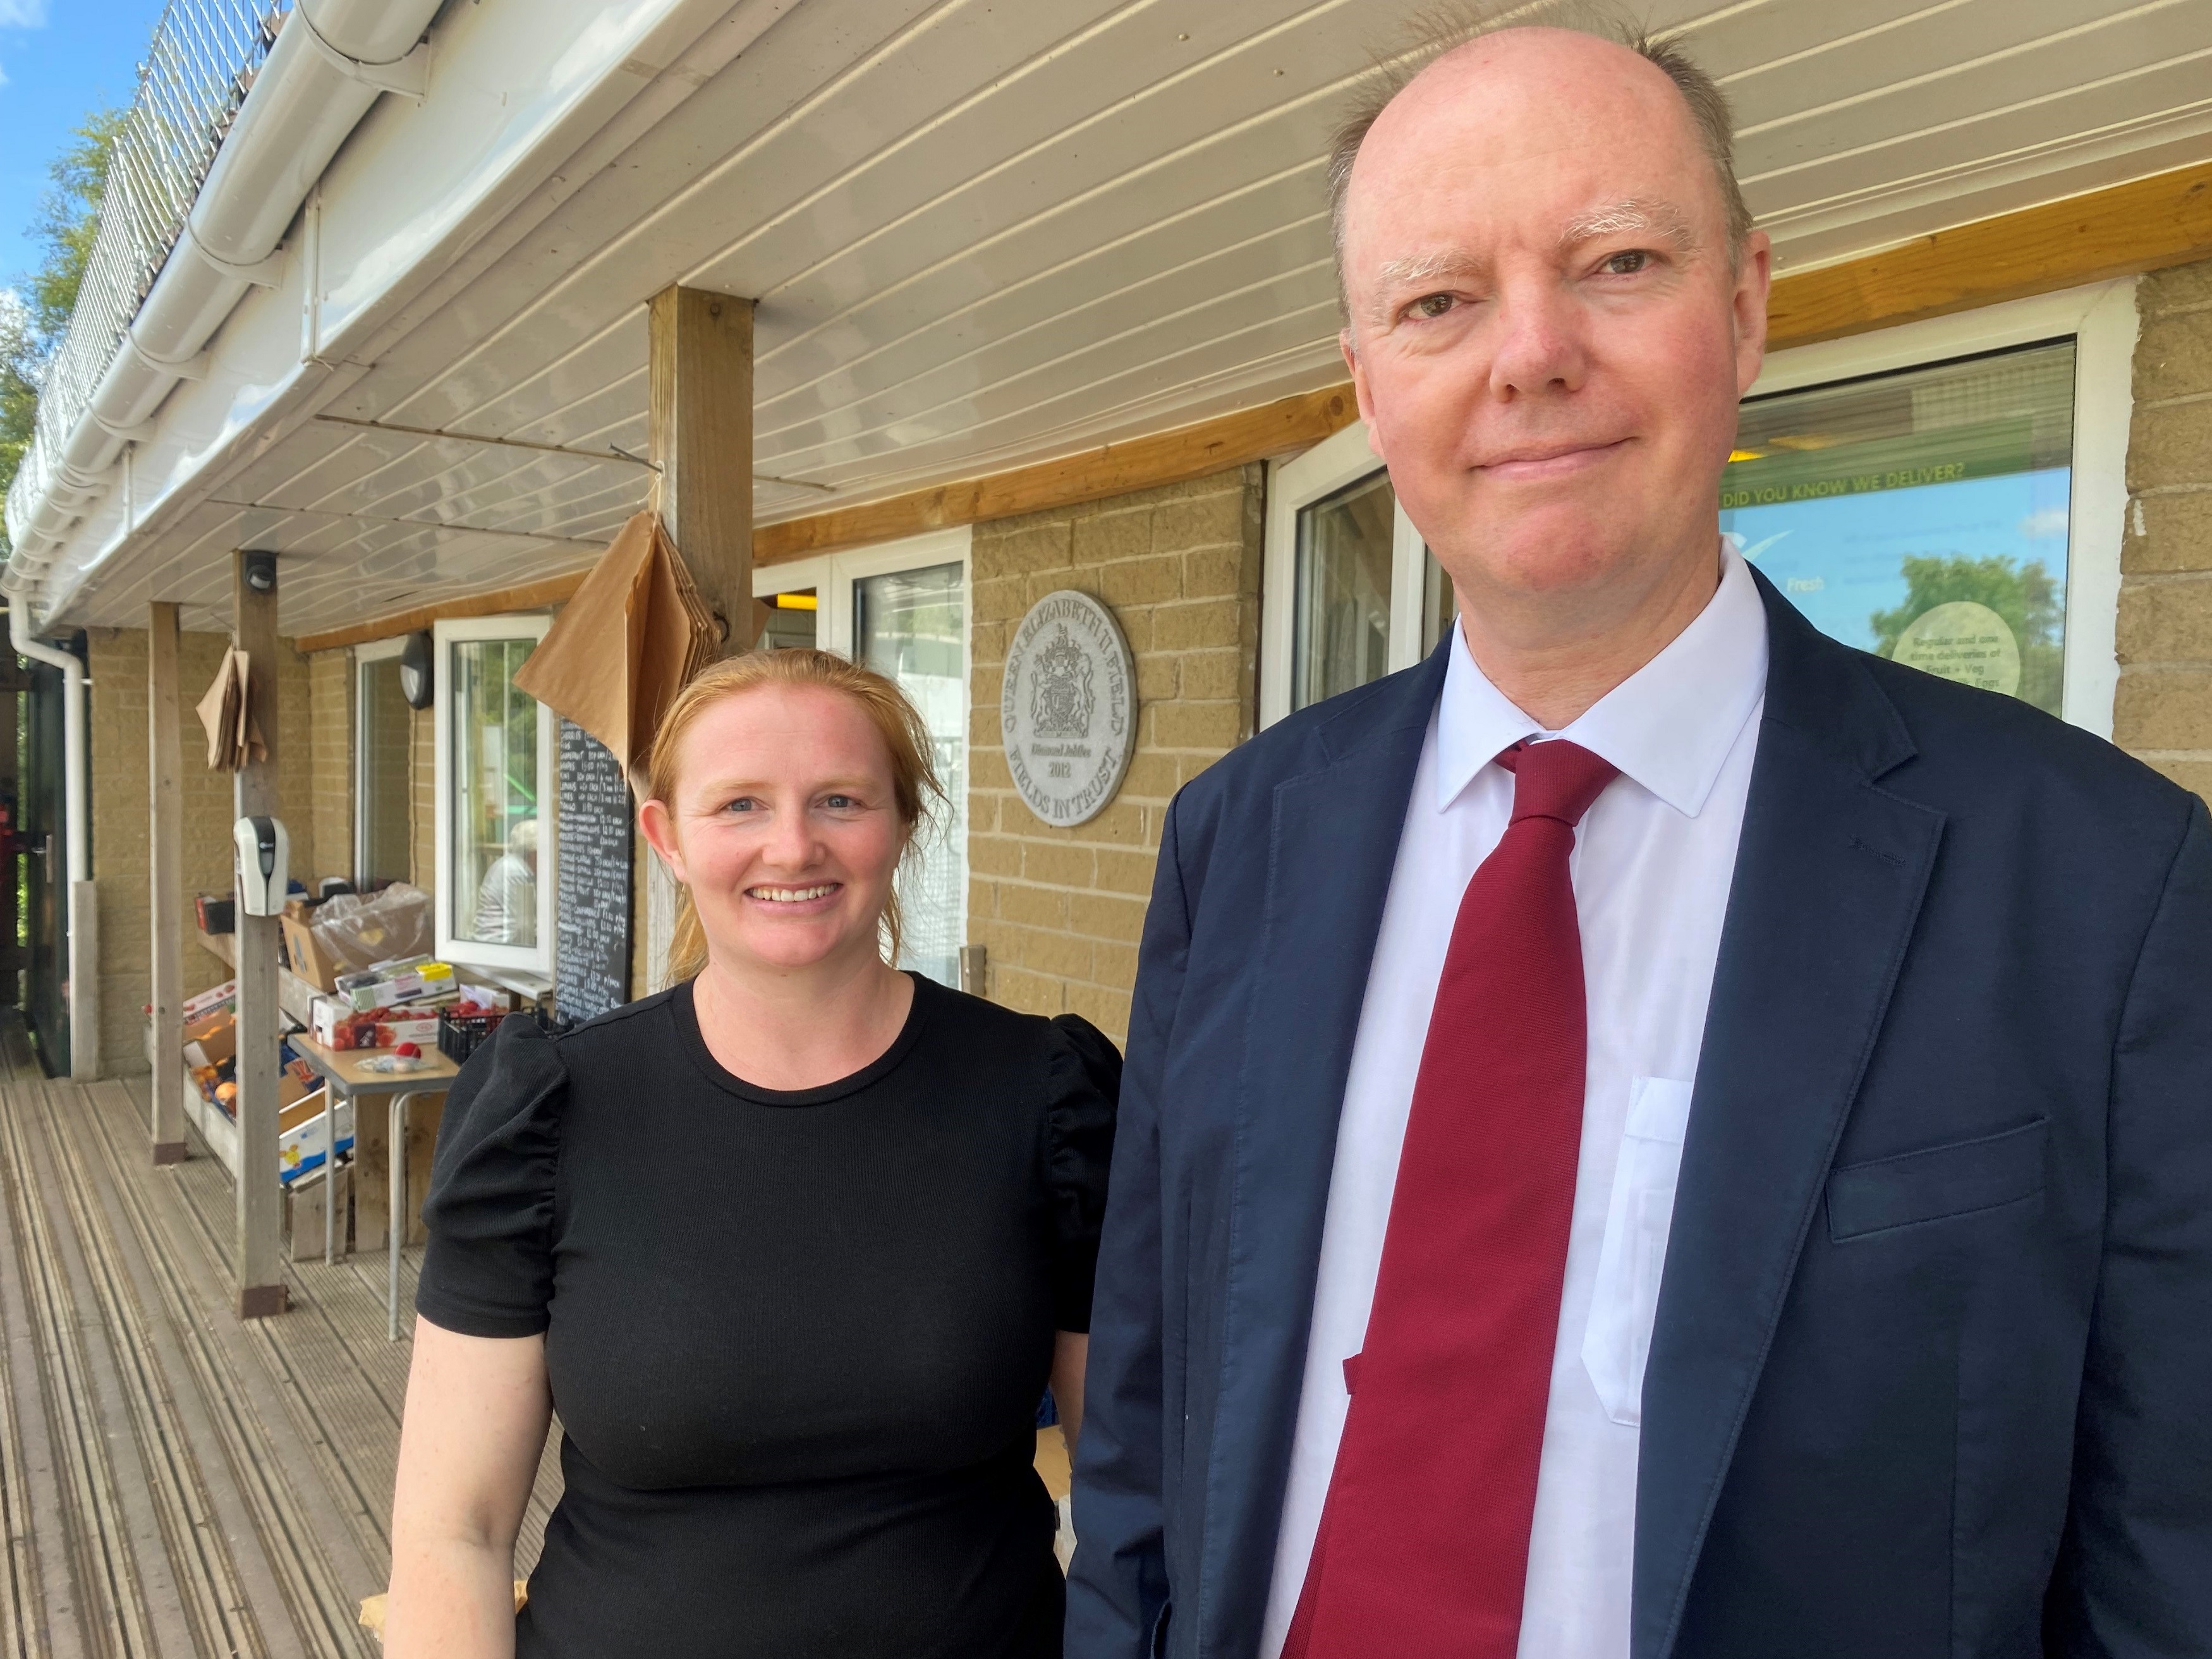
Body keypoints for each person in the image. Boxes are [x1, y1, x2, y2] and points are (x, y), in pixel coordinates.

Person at [1068, 13, 2212, 1659]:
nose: (1526, 354)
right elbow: (1147, 1433)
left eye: (1612, 262)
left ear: (1740, 307)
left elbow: (2163, 1561)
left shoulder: (2098, 884)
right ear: (1368, 385)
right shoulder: (1238, 839)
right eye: (1438, 300)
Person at [386, 648, 1119, 1658]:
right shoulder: (549, 1114)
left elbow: (1130, 1502)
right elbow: (452, 1534)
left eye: (840, 800)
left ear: (902, 824)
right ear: (668, 837)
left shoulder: (1048, 1099)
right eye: (738, 805)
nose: (791, 846)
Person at [471, 817, 537, 946]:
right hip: (495, 946)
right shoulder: (515, 871)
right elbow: (526, 925)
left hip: (503, 944)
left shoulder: (519, 867)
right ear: (532, 853)